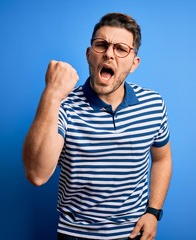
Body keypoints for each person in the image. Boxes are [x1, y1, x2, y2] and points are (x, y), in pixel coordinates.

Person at [23, 12, 172, 240]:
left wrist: (153, 211)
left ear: (134, 63)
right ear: (89, 54)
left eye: (121, 49)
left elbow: (162, 158)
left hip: (134, 233)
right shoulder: (62, 106)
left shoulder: (154, 104)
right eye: (101, 45)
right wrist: (52, 94)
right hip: (75, 234)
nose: (109, 54)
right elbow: (36, 174)